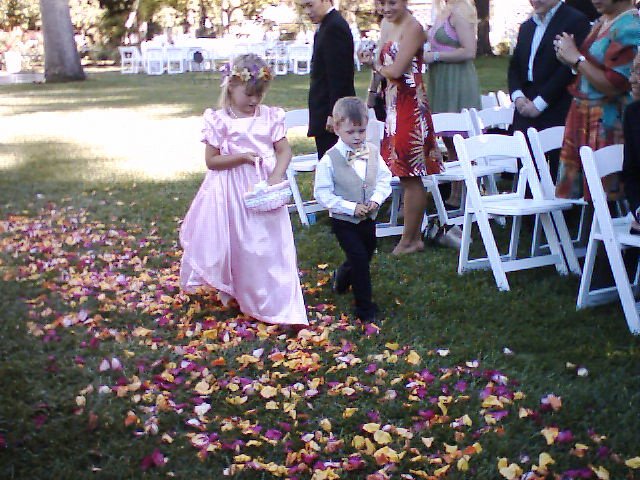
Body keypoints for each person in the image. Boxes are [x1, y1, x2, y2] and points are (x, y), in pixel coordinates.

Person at [179, 54, 308, 328]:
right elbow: (212, 161)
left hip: (264, 189)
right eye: (249, 94)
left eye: (259, 95)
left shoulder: (269, 116)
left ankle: (276, 296)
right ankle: (238, 288)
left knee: (270, 244)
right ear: (232, 86)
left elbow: (284, 151)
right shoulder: (220, 121)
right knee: (240, 243)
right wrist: (240, 158)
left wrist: (276, 176)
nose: (254, 100)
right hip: (232, 191)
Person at [374, 0, 444, 256]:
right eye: (381, 3)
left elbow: (396, 70)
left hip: (410, 105)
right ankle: (411, 236)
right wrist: (374, 87)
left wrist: (376, 67)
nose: (386, 8)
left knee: (412, 173)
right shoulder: (386, 24)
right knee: (403, 173)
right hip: (393, 104)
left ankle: (410, 240)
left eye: (392, 2)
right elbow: (382, 64)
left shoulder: (413, 27)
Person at [314, 97, 392, 323]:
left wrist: (376, 199)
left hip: (368, 218)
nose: (357, 137)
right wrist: (349, 208)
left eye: (361, 131)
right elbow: (322, 193)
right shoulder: (329, 160)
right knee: (359, 259)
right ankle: (365, 308)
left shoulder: (372, 152)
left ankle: (342, 276)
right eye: (351, 132)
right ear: (337, 128)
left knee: (366, 253)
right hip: (344, 221)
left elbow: (384, 179)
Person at [555, 1, 640, 200]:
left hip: (608, 120)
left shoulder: (630, 27)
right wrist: (569, 57)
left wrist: (576, 59)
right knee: (582, 197)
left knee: (606, 196)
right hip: (583, 115)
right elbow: (591, 65)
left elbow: (615, 84)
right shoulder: (603, 20)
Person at [508, 0, 591, 181]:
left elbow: (568, 70)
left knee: (559, 175)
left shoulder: (574, 21)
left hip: (557, 107)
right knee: (527, 173)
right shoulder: (527, 27)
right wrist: (518, 97)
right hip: (525, 108)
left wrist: (540, 103)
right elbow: (514, 67)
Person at [423, 0, 481, 227]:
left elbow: (469, 51)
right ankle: (454, 193)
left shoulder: (461, 11)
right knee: (447, 138)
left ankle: (462, 194)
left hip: (457, 79)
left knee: (459, 138)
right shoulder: (442, 10)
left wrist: (436, 56)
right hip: (440, 80)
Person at [298, 0, 356, 158]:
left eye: (310, 5)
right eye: (304, 7)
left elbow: (340, 76)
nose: (307, 11)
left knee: (336, 165)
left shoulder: (334, 27)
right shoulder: (326, 26)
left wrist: (334, 113)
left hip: (332, 117)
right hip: (325, 114)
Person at [622, 50, 640, 224]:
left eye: (639, 72)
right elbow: (630, 173)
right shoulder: (633, 114)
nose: (632, 80)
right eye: (632, 71)